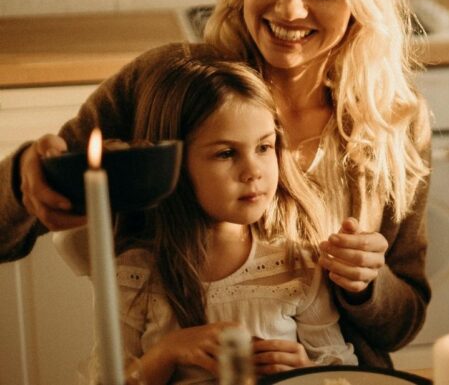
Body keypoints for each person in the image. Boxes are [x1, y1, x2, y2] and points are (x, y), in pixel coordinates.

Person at [0, 0, 432, 368]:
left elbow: (403, 325)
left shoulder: (392, 123)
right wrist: (25, 180)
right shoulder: (169, 87)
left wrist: (368, 283)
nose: (291, 8)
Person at [95, 56, 357, 385]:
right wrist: (167, 352)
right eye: (226, 153)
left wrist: (306, 373)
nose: (253, 171)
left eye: (264, 147)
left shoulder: (296, 265)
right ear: (172, 162)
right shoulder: (137, 275)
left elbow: (341, 372)